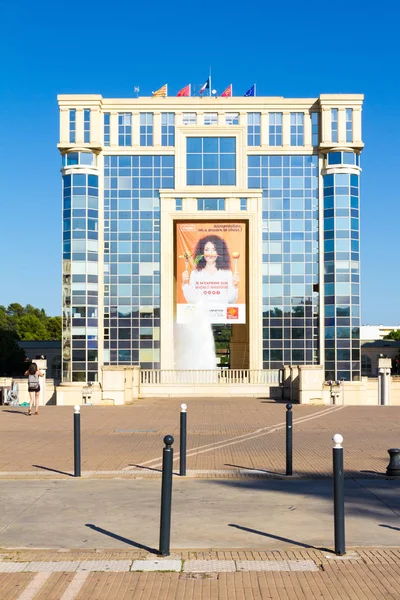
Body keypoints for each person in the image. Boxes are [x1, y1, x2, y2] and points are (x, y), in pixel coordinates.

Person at [182, 235, 239, 305]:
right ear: (201, 252)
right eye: (207, 250)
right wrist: (185, 284)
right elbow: (192, 300)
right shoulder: (195, 273)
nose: (210, 253)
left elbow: (230, 301)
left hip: (220, 314)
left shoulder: (227, 273)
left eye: (214, 250)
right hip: (202, 314)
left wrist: (234, 286)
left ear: (219, 252)